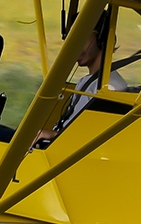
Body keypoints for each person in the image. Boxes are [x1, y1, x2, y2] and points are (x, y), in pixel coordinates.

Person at [33, 10, 127, 148]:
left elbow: (91, 139)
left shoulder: (110, 87)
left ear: (101, 37)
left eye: (81, 38)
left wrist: (53, 135)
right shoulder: (85, 81)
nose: (74, 47)